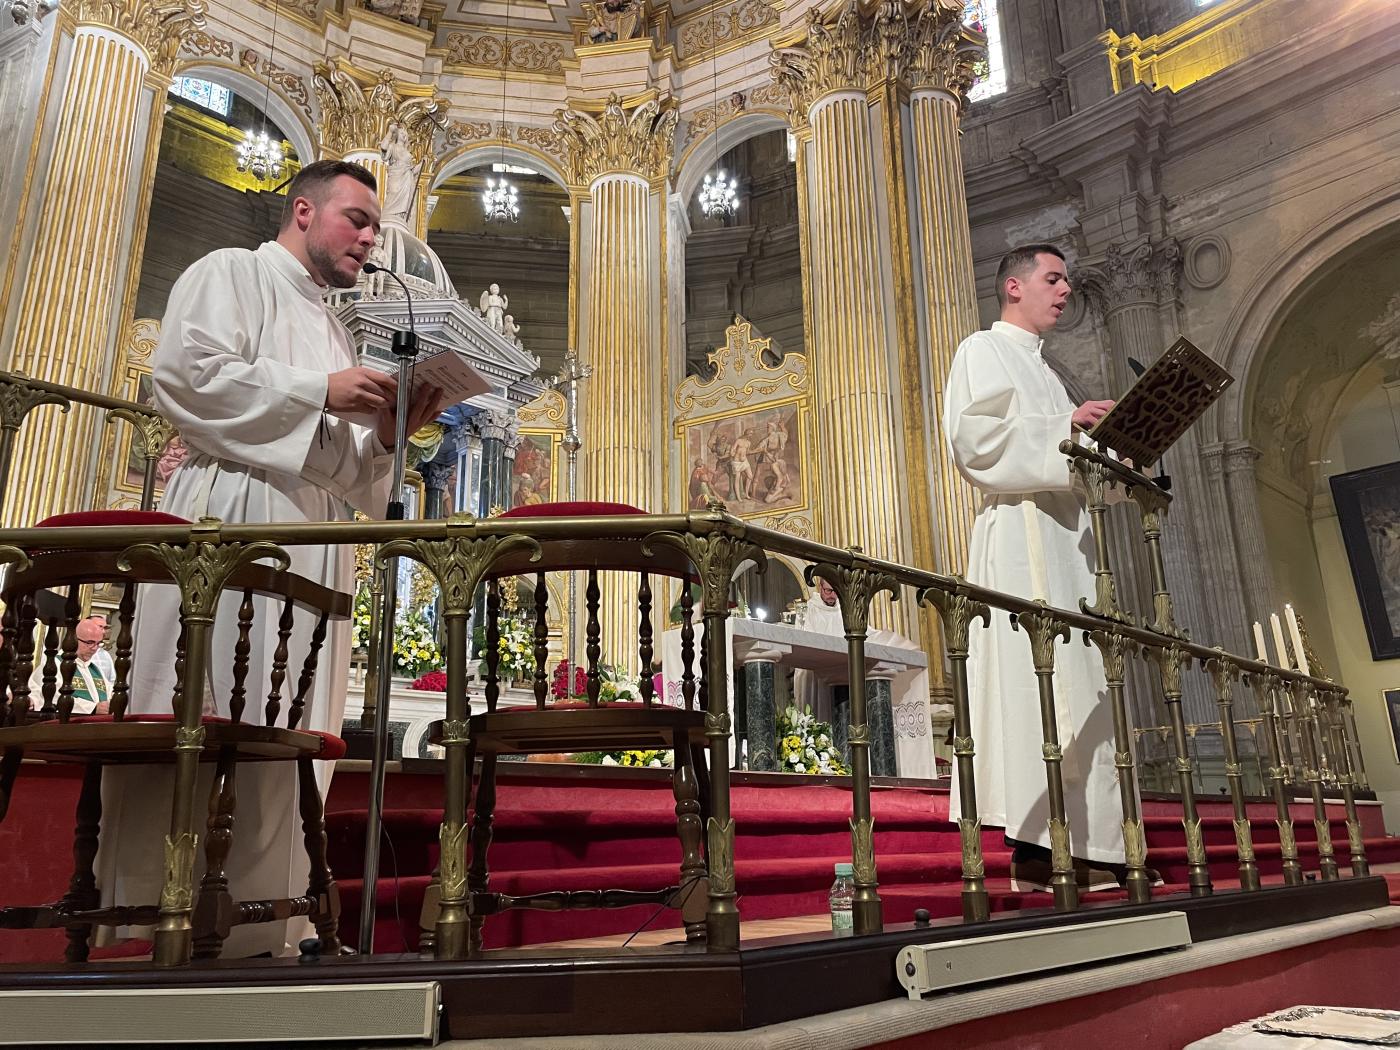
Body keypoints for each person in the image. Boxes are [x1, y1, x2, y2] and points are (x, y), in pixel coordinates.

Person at [95, 159, 445, 957]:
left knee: (288, 736)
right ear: (302, 210)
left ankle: (271, 928)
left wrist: (394, 432)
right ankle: (173, 919)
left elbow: (351, 470)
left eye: (374, 226)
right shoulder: (230, 274)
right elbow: (187, 376)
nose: (369, 237)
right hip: (233, 518)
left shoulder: (331, 325)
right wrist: (321, 391)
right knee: (219, 716)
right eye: (356, 218)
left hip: (312, 541)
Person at [944, 242, 1138, 893]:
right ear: (1014, 288)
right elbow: (976, 440)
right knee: (1037, 688)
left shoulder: (1050, 374)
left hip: (1065, 544)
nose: (1064, 291)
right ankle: (1038, 842)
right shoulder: (982, 350)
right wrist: (1066, 427)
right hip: (1020, 541)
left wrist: (1117, 452)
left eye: (1067, 281)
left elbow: (1074, 458)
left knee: (1078, 689)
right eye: (1052, 279)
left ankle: (1090, 842)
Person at [28, 616, 115, 715]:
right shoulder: (54, 664)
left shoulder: (95, 670)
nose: (94, 648)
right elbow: (49, 696)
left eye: (98, 643)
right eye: (89, 642)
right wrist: (92, 708)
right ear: (73, 638)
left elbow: (110, 695)